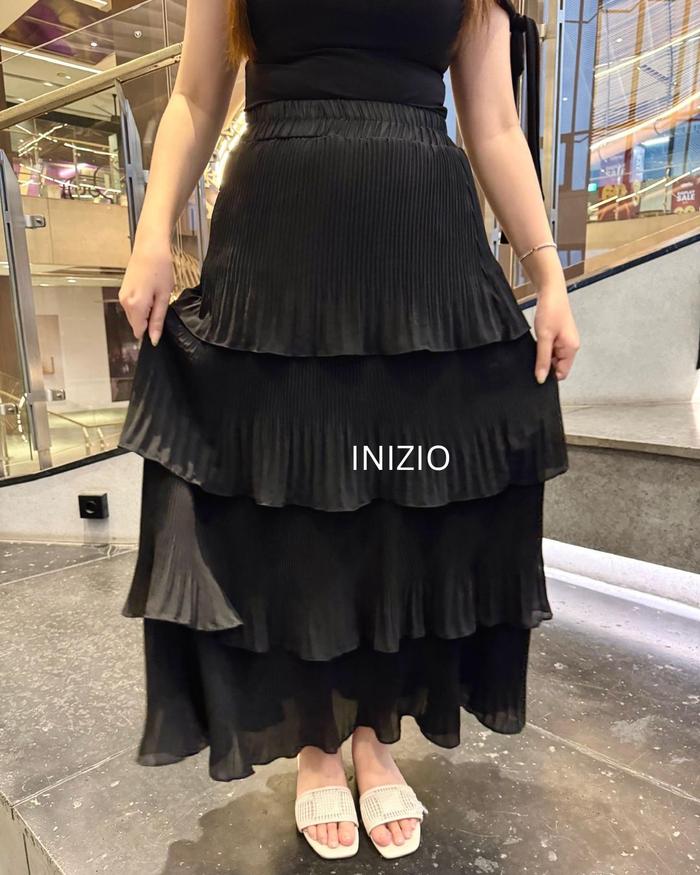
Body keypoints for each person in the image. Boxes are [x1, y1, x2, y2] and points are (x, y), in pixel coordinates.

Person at [117, 0, 579, 861]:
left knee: (400, 496)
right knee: (295, 496)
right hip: (279, 237)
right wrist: (152, 233)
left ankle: (373, 730)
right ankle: (317, 742)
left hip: (424, 245)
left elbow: (493, 122)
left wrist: (547, 273)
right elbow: (195, 96)